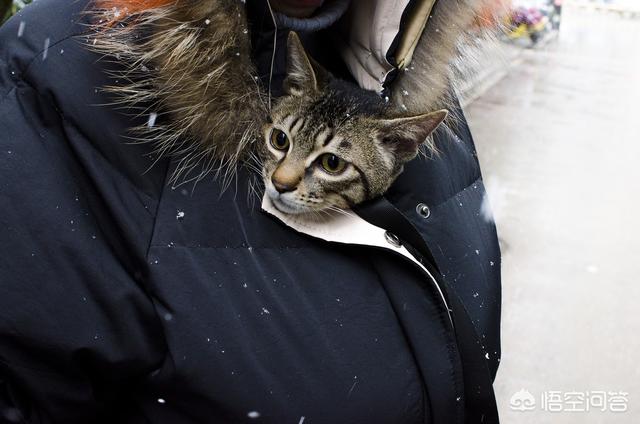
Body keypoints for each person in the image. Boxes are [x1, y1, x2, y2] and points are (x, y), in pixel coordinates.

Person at [0, 0, 502, 423]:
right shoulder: (56, 76)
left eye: (328, 162)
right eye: (280, 143)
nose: (283, 178)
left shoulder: (419, 82)